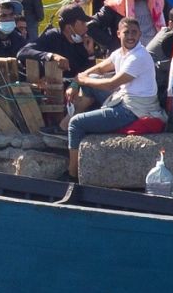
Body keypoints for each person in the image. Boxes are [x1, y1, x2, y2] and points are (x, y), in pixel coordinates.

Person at [67, 17, 164, 178]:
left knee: (75, 124)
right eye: (127, 32)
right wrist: (76, 83)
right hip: (123, 97)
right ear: (119, 34)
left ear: (140, 34)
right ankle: (66, 127)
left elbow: (111, 84)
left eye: (134, 32)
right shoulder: (119, 53)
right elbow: (98, 69)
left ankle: (72, 174)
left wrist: (82, 80)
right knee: (91, 83)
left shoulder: (138, 56)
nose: (131, 36)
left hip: (133, 109)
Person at [19, 4, 92, 76]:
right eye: (82, 23)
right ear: (69, 27)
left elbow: (88, 73)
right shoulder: (53, 36)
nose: (86, 28)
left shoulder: (85, 43)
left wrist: (90, 53)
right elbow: (23, 52)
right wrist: (52, 56)